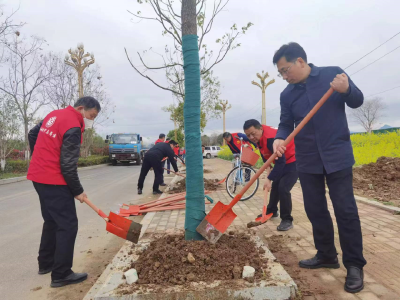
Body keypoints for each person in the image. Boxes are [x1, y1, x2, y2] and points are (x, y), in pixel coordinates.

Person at [272, 42, 366, 293]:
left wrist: (346, 90)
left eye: (285, 69)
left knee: (345, 211)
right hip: (308, 160)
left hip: (337, 156)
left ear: (300, 62)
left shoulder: (332, 75)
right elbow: (284, 123)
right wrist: (280, 138)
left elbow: (357, 100)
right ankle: (326, 255)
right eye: (280, 72)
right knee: (315, 210)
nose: (284, 76)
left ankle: (354, 265)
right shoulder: (287, 95)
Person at [27, 96, 101, 288]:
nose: (89, 120)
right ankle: (61, 274)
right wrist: (78, 191)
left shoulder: (53, 115)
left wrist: (40, 157)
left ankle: (46, 263)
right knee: (68, 225)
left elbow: (32, 134)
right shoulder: (73, 126)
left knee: (51, 220)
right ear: (82, 108)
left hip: (38, 177)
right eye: (91, 115)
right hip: (54, 180)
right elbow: (68, 165)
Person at [243, 120, 298, 231]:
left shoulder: (270, 139)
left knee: (283, 188)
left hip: (294, 161)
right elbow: (266, 158)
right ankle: (272, 211)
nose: (251, 137)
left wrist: (269, 179)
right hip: (282, 162)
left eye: (253, 133)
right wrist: (268, 174)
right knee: (275, 187)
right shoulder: (258, 138)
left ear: (261, 128)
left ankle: (287, 219)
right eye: (248, 135)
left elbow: (280, 162)